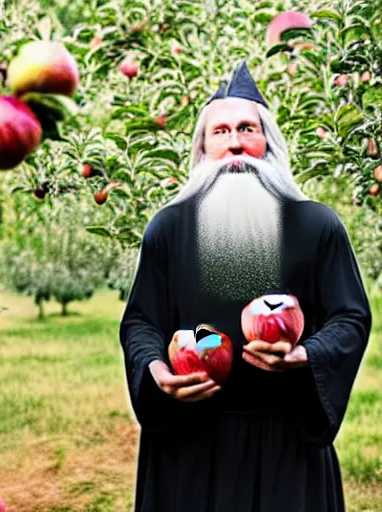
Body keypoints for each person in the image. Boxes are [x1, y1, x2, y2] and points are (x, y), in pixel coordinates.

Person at [118, 59, 372, 512]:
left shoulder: (317, 224)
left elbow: (350, 317)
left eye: (247, 130)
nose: (234, 143)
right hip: (189, 446)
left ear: (268, 144)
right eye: (220, 132)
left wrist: (306, 354)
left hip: (286, 445)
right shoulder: (168, 228)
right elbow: (141, 321)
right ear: (201, 150)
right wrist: (156, 372)